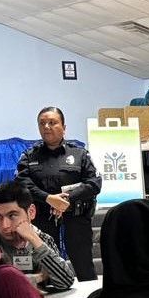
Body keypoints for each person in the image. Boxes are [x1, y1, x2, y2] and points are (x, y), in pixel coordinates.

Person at [16, 106, 102, 281]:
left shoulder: (79, 153)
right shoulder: (29, 155)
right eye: (42, 123)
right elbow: (22, 183)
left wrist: (67, 199)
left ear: (64, 127)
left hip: (76, 217)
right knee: (44, 263)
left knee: (83, 264)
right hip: (42, 218)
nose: (47, 127)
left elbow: (94, 183)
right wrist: (48, 198)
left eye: (52, 122)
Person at [0, 181, 75, 292]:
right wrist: (39, 277)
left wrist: (34, 240)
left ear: (31, 212)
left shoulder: (43, 239)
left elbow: (65, 281)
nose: (5, 226)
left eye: (12, 215)